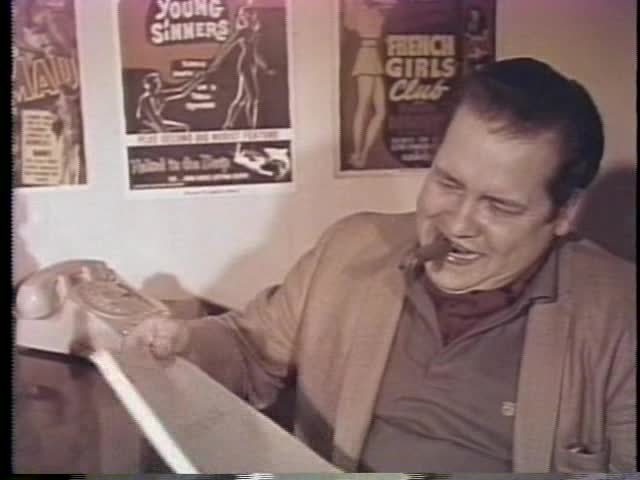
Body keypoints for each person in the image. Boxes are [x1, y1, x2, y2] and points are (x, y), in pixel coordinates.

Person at [126, 58, 635, 473]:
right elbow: (247, 349)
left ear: (564, 214)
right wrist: (186, 344)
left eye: (498, 206)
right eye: (448, 183)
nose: (457, 223)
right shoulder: (351, 247)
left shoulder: (621, 314)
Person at [343, 0, 396, 169]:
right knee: (363, 106)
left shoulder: (378, 10)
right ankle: (357, 153)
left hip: (374, 55)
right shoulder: (360, 10)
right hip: (366, 55)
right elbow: (350, 21)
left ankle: (362, 154)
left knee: (380, 111)